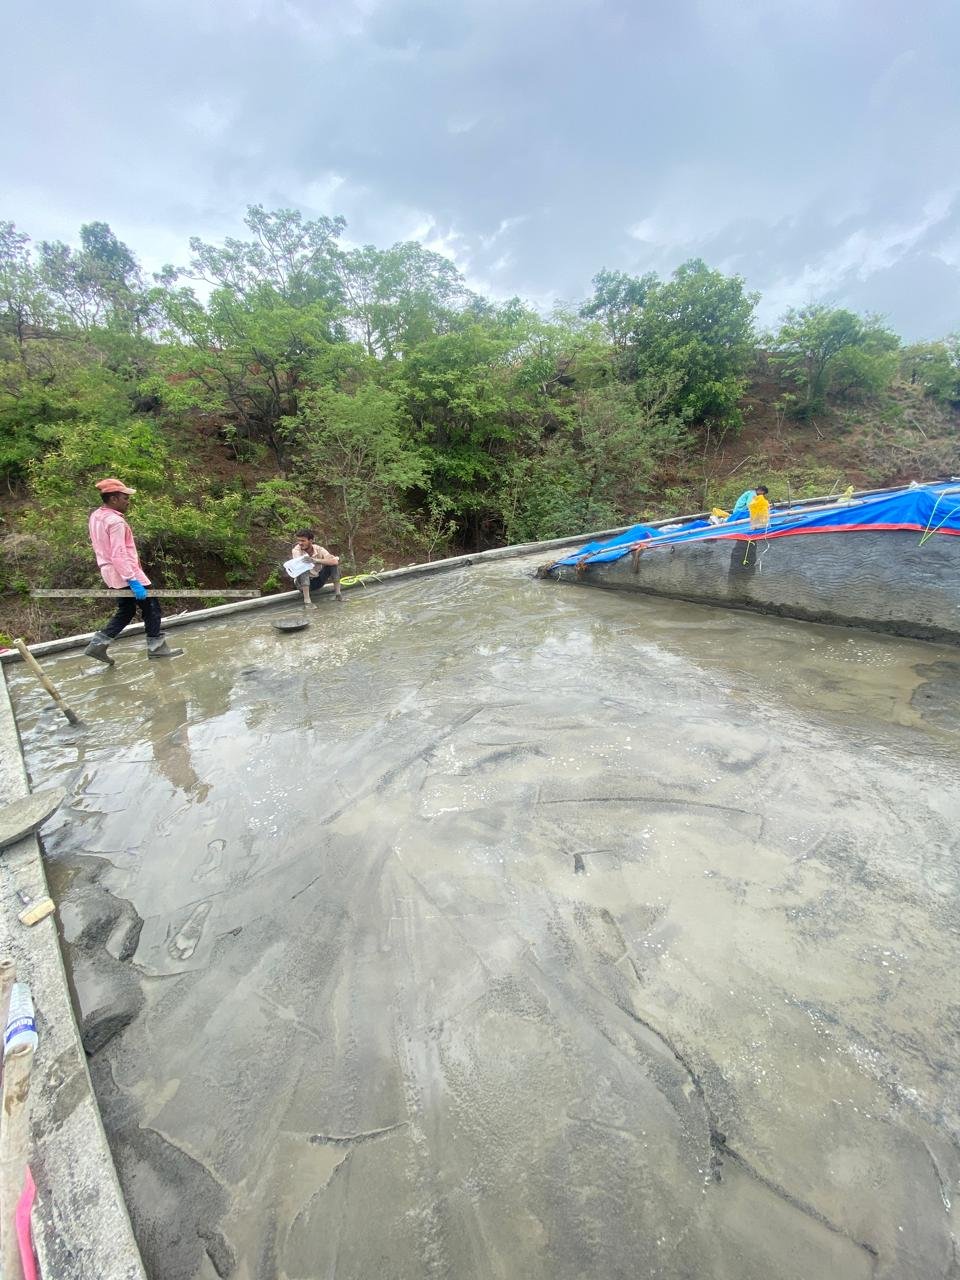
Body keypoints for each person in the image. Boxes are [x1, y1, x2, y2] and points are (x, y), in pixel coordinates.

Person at [82, 478, 183, 664]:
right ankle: (157, 649)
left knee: (127, 610)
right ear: (113, 499)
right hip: (125, 572)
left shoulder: (96, 516)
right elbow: (118, 554)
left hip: (110, 572)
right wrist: (133, 580)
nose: (128, 502)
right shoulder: (115, 522)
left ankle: (98, 645)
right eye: (125, 498)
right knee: (152, 608)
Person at [289, 529, 343, 606]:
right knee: (303, 567)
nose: (300, 543)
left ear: (310, 541)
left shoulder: (318, 549)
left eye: (303, 541)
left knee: (333, 565)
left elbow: (334, 561)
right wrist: (319, 561)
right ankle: (307, 602)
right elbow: (301, 565)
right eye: (298, 540)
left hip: (317, 579)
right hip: (302, 584)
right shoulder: (296, 550)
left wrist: (315, 560)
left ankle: (338, 595)